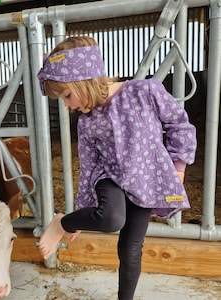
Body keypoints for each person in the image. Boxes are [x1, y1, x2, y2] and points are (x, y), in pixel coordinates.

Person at [37, 36, 197, 300]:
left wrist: (178, 167)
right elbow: (89, 166)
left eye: (67, 95)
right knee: (111, 218)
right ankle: (61, 223)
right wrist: (80, 213)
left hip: (145, 180)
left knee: (131, 248)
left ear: (84, 81)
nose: (67, 105)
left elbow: (180, 124)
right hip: (108, 176)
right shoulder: (86, 122)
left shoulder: (145, 92)